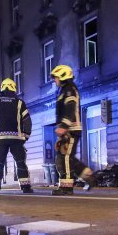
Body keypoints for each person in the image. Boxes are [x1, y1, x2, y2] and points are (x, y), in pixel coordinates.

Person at [0, 78, 34, 194]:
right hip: (16, 139)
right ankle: (26, 187)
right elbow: (27, 121)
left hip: (0, 140)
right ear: (13, 88)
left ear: (2, 88)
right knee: (20, 162)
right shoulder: (19, 103)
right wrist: (26, 136)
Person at [50, 64, 94, 196]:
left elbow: (69, 108)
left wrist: (63, 126)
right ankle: (87, 175)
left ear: (63, 77)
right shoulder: (64, 90)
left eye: (56, 77)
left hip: (70, 129)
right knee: (64, 157)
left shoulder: (69, 90)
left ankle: (67, 187)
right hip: (68, 129)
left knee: (65, 157)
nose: (54, 80)